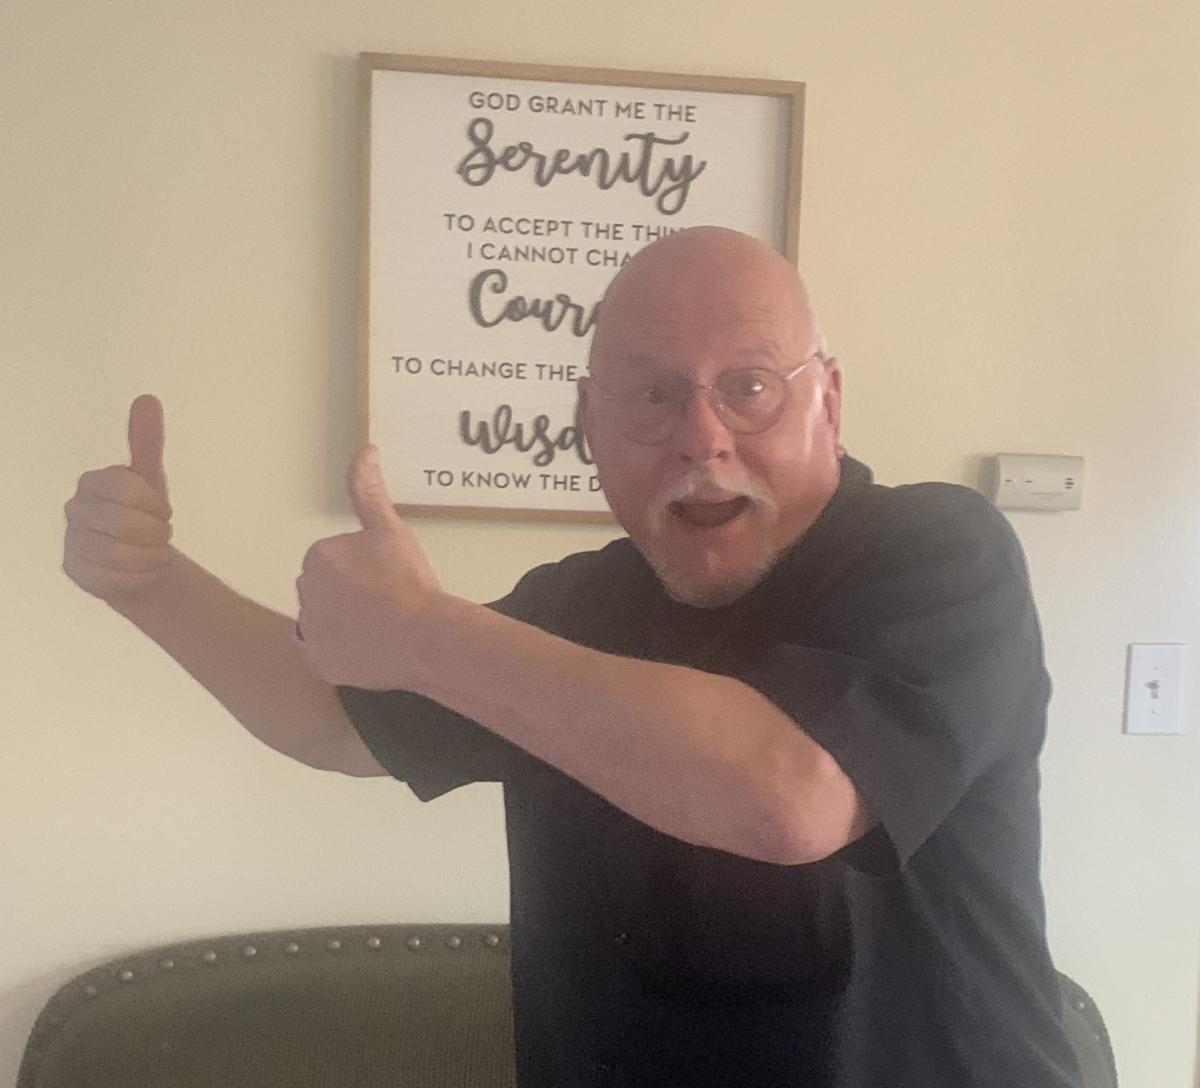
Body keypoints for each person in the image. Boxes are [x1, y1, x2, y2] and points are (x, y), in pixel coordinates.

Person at [63, 227, 1083, 1087]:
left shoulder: (939, 554)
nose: (702, 435)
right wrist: (151, 584)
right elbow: (335, 720)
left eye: (750, 387)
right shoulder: (575, 606)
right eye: (651, 394)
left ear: (830, 401)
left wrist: (424, 631)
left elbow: (790, 796)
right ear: (590, 422)